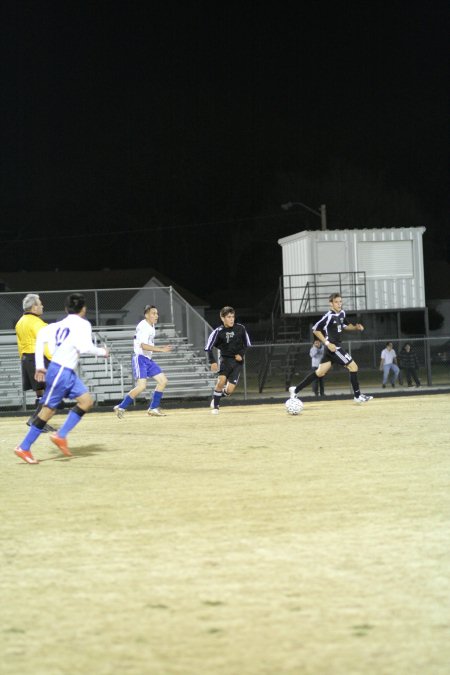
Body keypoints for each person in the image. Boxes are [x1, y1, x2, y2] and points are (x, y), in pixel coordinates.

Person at [14, 293, 109, 464]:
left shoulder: (57, 325)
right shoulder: (83, 324)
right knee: (48, 411)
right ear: (84, 309)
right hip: (59, 372)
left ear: (66, 309)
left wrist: (40, 366)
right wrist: (103, 352)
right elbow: (85, 347)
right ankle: (24, 447)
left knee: (86, 401)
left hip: (65, 372)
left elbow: (41, 339)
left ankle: (60, 435)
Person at [288, 293, 373, 404]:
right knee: (353, 367)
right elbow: (316, 330)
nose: (339, 304)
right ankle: (357, 396)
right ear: (331, 304)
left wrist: (356, 327)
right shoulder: (328, 316)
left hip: (333, 349)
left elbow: (345, 326)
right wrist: (327, 343)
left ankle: (295, 389)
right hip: (333, 348)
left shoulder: (342, 313)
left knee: (319, 373)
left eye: (340, 301)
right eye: (336, 302)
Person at [114, 305, 173, 418]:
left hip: (147, 359)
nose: (156, 315)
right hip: (140, 358)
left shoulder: (151, 326)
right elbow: (143, 346)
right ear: (146, 315)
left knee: (163, 381)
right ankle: (121, 406)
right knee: (141, 386)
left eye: (157, 313)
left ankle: (153, 408)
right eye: (153, 313)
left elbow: (147, 346)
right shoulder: (144, 326)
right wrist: (161, 349)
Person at [15, 293, 56, 432]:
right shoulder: (37, 323)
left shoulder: (20, 322)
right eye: (40, 304)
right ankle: (36, 419)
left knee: (40, 391)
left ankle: (41, 422)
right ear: (33, 307)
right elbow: (44, 343)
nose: (42, 306)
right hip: (38, 358)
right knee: (52, 390)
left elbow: (20, 344)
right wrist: (52, 359)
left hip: (26, 358)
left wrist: (24, 359)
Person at [205, 306, 251, 414]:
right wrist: (213, 362)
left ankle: (216, 397)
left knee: (229, 390)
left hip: (237, 363)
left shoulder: (241, 328)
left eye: (233, 317)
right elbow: (208, 347)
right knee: (221, 381)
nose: (231, 319)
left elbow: (247, 344)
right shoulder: (218, 331)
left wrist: (241, 354)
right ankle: (216, 407)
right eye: (229, 317)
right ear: (222, 318)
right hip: (225, 361)